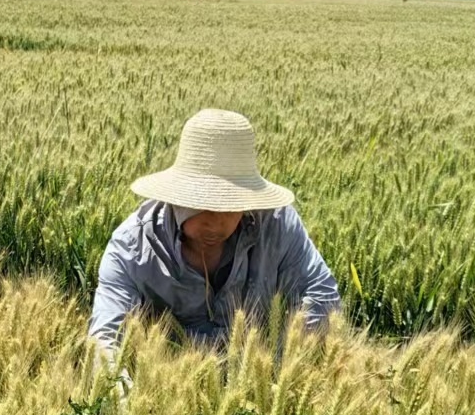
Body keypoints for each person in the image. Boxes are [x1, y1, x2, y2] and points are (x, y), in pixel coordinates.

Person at [87, 108, 340, 353]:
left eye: (230, 203)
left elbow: (322, 294)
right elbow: (105, 341)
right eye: (203, 202)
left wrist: (279, 364)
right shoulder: (131, 248)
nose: (216, 220)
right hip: (168, 387)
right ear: (175, 195)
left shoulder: (276, 223)